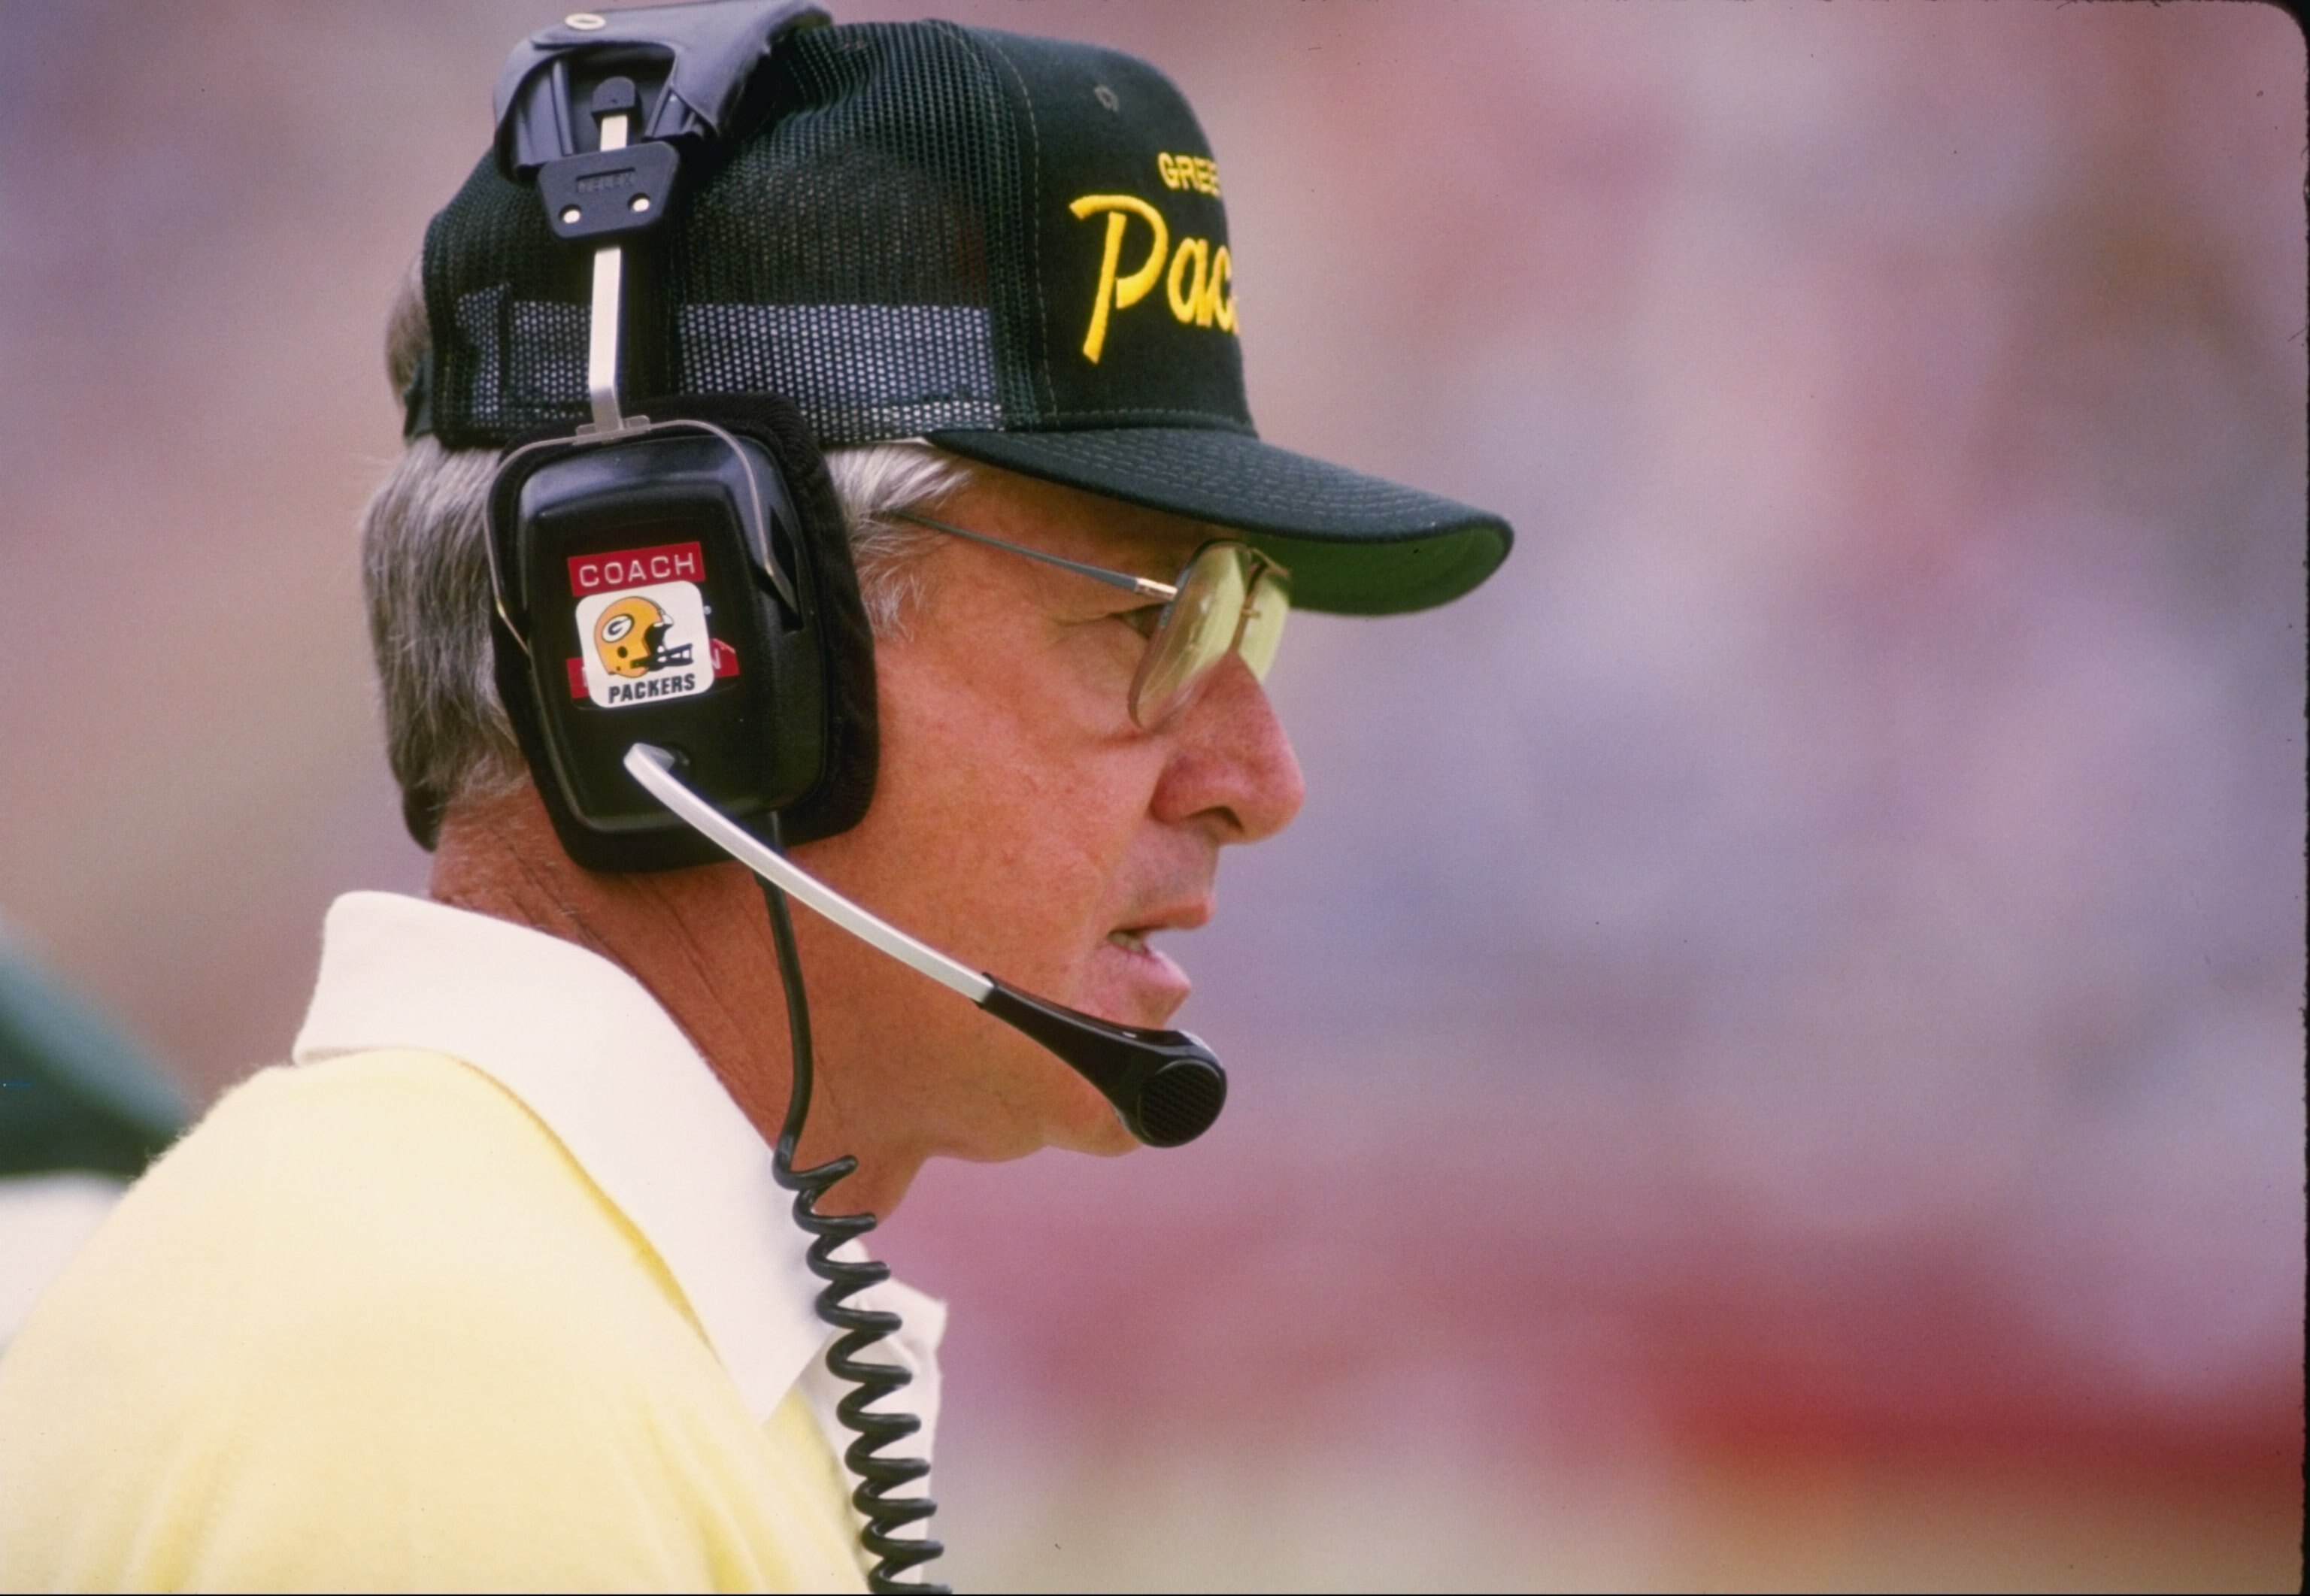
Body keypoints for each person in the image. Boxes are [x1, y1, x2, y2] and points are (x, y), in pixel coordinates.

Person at [0, 8, 1509, 1590]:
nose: (1260, 782)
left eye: (1245, 621)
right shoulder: (451, 1375)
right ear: (696, 645)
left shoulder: (505, 1309)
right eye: (1153, 616)